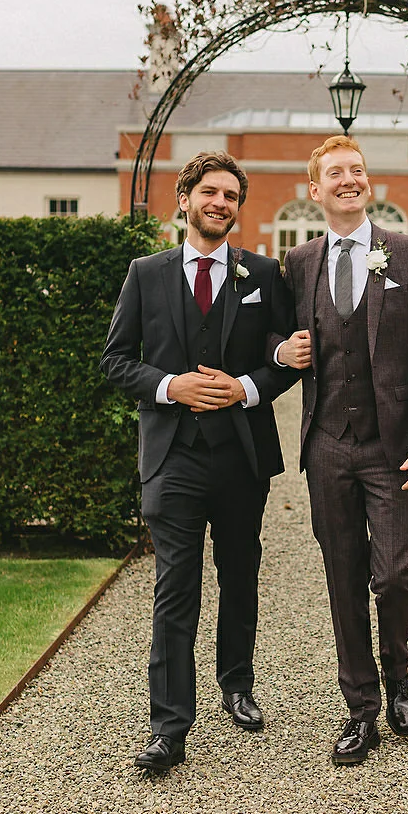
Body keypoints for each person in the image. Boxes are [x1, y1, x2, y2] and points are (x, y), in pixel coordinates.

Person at [99, 151, 298, 774]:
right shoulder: (146, 273)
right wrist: (168, 387)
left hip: (242, 455)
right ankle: (168, 726)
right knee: (174, 586)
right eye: (209, 192)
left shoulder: (265, 273)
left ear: (238, 208)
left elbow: (288, 360)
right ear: (184, 199)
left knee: (240, 574)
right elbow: (115, 360)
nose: (220, 203)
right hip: (173, 457)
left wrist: (246, 387)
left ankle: (237, 684)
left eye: (231, 196)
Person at [273, 135, 408, 765]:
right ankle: (361, 708)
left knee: (396, 573)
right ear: (315, 189)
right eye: (335, 174)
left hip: (393, 448)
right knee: (343, 579)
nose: (348, 180)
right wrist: (279, 353)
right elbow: (273, 333)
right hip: (326, 445)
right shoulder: (298, 263)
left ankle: (398, 667)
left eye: (357, 171)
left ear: (367, 183)